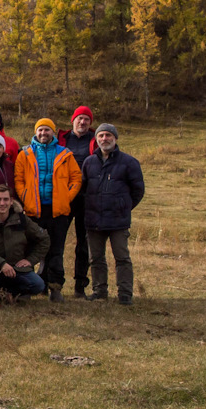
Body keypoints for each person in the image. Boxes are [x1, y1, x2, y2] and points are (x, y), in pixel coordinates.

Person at [12, 117, 82, 301]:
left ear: (53, 132)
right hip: (33, 211)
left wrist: (67, 197)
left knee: (55, 250)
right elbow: (18, 179)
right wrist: (26, 198)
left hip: (57, 212)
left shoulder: (65, 154)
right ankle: (28, 288)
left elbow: (76, 178)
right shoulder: (25, 154)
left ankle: (55, 287)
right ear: (35, 132)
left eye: (47, 130)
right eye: (40, 130)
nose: (43, 133)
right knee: (28, 249)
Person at [80, 122, 146, 304]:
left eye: (108, 135)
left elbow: (138, 190)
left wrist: (123, 206)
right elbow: (83, 189)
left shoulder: (129, 162)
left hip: (118, 221)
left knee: (122, 258)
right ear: (96, 139)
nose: (104, 139)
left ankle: (125, 294)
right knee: (96, 258)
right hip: (94, 220)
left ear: (115, 138)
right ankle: (99, 291)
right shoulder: (89, 162)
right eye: (101, 136)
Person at [0, 182, 49, 305]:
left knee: (38, 285)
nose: (2, 203)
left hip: (16, 269)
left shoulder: (21, 219)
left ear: (11, 201)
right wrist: (1, 264)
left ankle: (10, 294)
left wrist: (30, 260)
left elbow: (44, 239)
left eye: (6, 199)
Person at [60, 106, 97, 299]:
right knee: (56, 240)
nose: (82, 122)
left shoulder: (96, 139)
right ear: (72, 120)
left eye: (86, 120)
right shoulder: (62, 139)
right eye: (79, 118)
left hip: (88, 197)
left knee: (84, 243)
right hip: (64, 196)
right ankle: (48, 281)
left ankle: (80, 286)